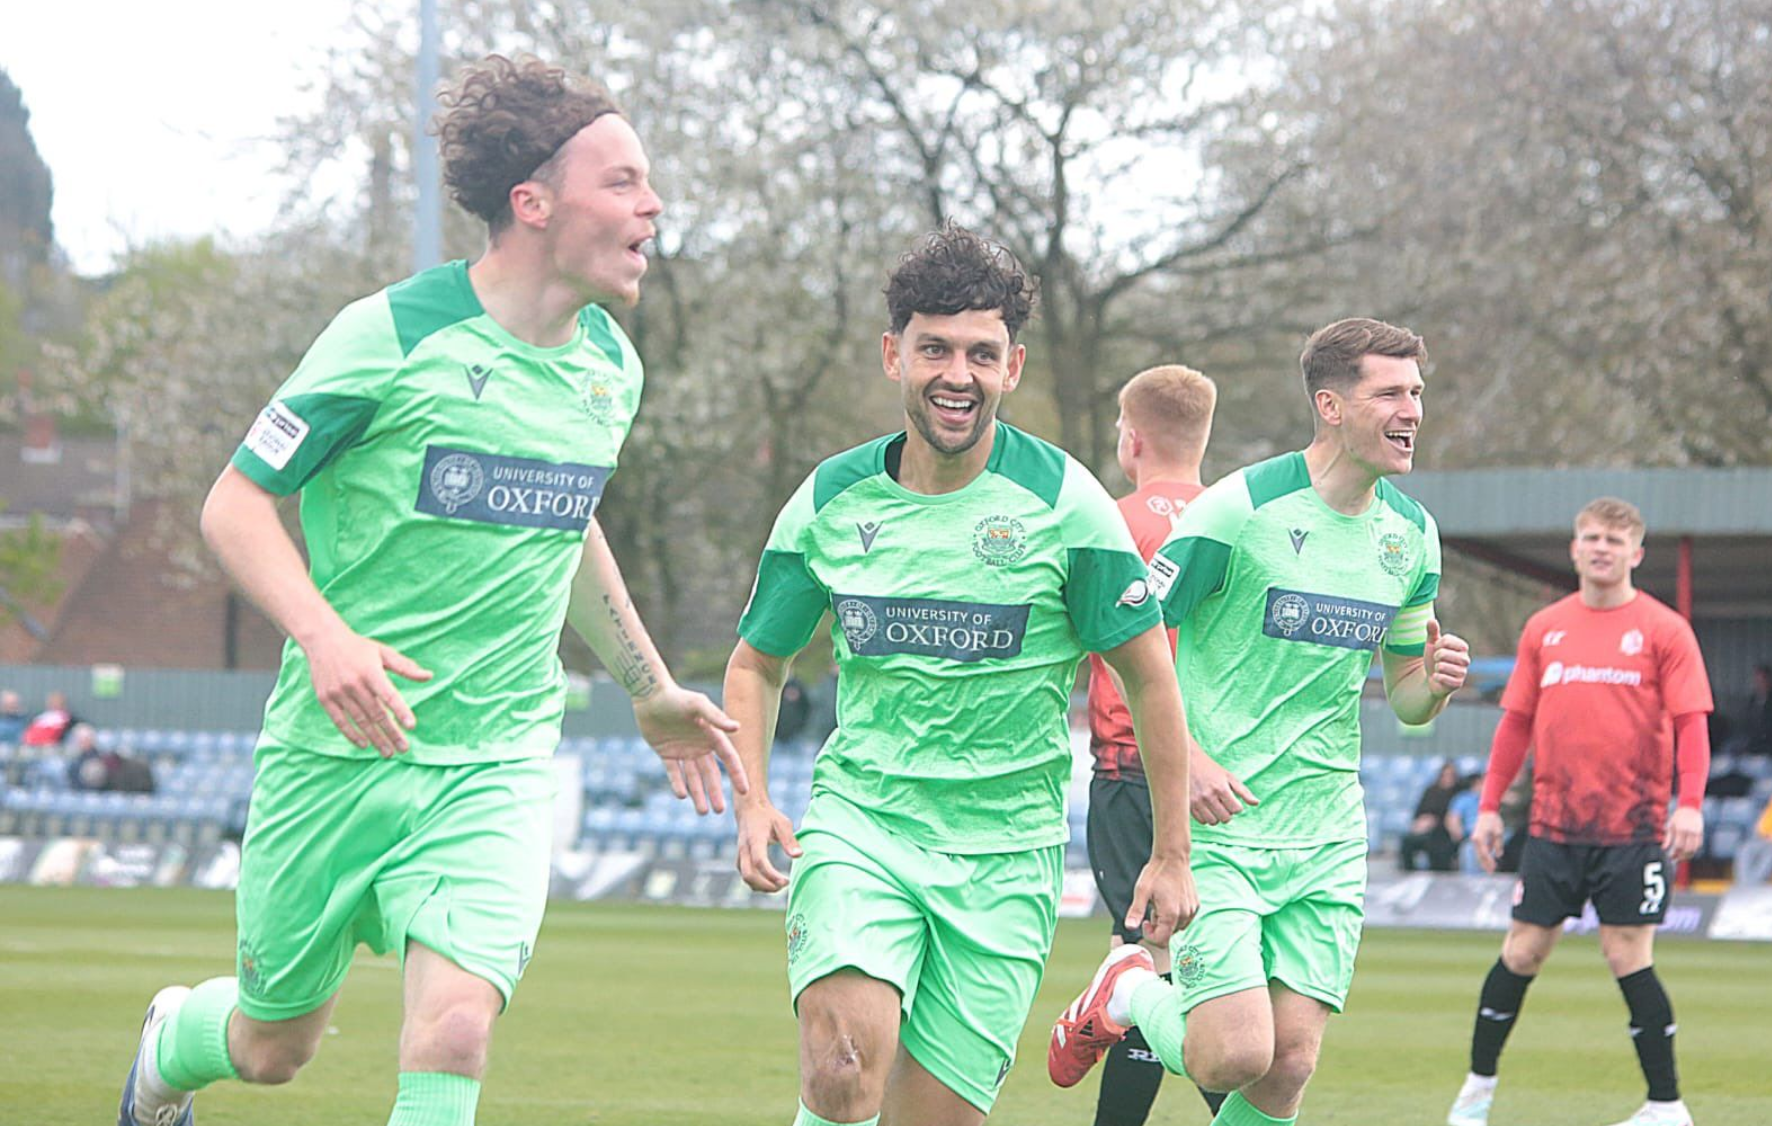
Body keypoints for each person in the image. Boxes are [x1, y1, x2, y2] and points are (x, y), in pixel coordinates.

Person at [116, 55, 746, 1126]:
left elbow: (564, 524)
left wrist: (648, 688)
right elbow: (235, 502)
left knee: (455, 1027)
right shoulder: (390, 335)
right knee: (273, 1044)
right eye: (624, 181)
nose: (653, 204)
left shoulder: (611, 365)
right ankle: (168, 1046)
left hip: (496, 759)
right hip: (339, 753)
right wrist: (324, 636)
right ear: (533, 203)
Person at [727, 226, 1217, 1126]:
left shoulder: (1068, 505)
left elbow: (1151, 677)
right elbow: (758, 661)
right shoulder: (830, 501)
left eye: (981, 354)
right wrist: (754, 800)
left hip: (1006, 856)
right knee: (840, 1070)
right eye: (936, 349)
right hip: (864, 824)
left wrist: (1172, 852)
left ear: (1013, 366)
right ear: (894, 355)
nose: (959, 374)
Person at [1051, 317, 1470, 1126]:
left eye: (1417, 393)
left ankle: (1136, 989)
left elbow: (1408, 698)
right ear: (1331, 406)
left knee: (1289, 1066)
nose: (1412, 410)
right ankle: (1130, 988)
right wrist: (1189, 758)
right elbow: (1136, 649)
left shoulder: (1413, 536)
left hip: (1327, 832)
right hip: (1223, 830)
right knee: (1232, 1055)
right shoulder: (1236, 508)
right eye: (1390, 393)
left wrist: (1436, 683)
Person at [1446, 497, 1713, 1126]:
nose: (1601, 549)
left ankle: (1666, 1106)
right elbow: (1516, 723)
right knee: (1522, 952)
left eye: (1614, 541)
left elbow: (1691, 722)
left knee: (1628, 956)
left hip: (1632, 829)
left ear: (1635, 554)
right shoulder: (1545, 628)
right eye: (1591, 537)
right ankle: (1476, 1093)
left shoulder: (1665, 629)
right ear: (1574, 548)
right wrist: (1489, 807)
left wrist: (1690, 805)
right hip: (1554, 826)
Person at [1081, 364, 1227, 1126]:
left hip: (1132, 769)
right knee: (1169, 962)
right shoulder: (1235, 523)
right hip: (1222, 777)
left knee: (1150, 969)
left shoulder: (1109, 523)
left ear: (1132, 439)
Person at [1399, 760, 1463, 871]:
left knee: (1437, 842)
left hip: (1445, 831)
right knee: (1407, 840)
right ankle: (1409, 871)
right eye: (1445, 774)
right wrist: (1421, 822)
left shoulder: (1459, 792)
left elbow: (1455, 815)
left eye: (1451, 775)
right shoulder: (1431, 791)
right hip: (1427, 829)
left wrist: (1435, 821)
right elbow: (1419, 812)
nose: (1448, 778)